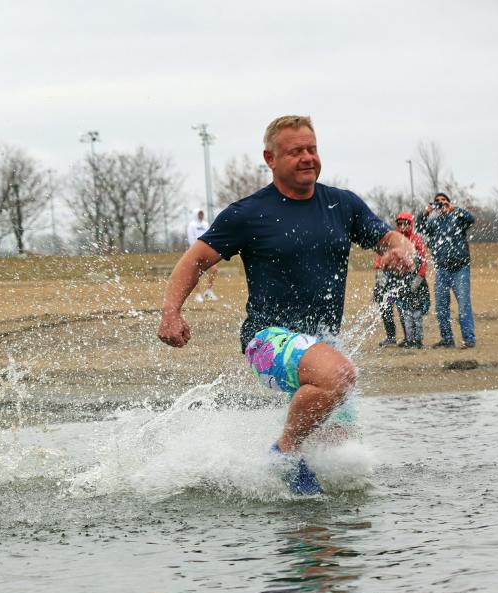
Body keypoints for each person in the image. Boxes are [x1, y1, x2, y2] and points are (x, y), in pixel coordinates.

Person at [157, 115, 414, 496]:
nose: (307, 157)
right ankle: (283, 454)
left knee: (341, 461)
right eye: (295, 151)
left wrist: (399, 245)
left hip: (323, 342)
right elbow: (193, 260)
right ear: (271, 158)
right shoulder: (248, 213)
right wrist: (171, 312)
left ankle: (312, 528)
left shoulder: (340, 204)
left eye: (312, 149)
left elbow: (384, 236)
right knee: (339, 375)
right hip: (267, 340)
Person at [416, 191, 476, 349]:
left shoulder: (458, 218)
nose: (441, 203)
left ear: (449, 203)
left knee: (463, 304)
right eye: (438, 201)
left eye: (444, 200)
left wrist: (455, 209)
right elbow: (420, 228)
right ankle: (447, 339)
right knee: (441, 307)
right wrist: (425, 213)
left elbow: (471, 219)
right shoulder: (433, 223)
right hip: (442, 270)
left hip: (460, 269)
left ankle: (469, 339)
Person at [375, 212, 430, 348]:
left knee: (403, 308)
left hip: (407, 278)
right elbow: (380, 256)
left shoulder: (416, 239)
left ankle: (409, 338)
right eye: (400, 223)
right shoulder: (391, 238)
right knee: (386, 306)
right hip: (390, 279)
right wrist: (379, 274)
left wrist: (419, 276)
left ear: (411, 224)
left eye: (406, 223)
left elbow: (423, 259)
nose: (403, 226)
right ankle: (390, 336)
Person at [186, 210, 218, 302]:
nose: (201, 215)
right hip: (196, 250)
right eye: (199, 214)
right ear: (196, 214)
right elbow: (191, 238)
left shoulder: (205, 224)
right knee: (196, 273)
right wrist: (195, 250)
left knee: (214, 269)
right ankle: (198, 294)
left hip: (206, 250)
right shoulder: (192, 225)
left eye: (202, 214)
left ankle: (209, 291)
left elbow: (209, 235)